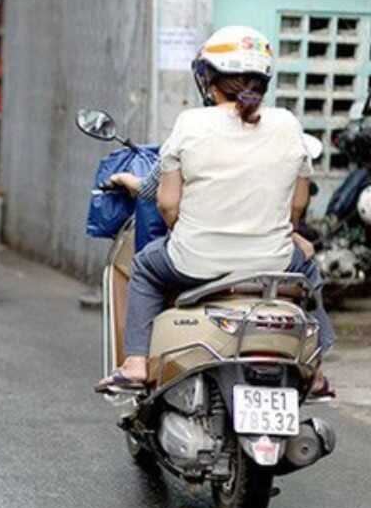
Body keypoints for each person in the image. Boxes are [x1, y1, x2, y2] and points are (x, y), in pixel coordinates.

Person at [96, 25, 336, 398]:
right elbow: (298, 204)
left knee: (144, 267)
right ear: (263, 80)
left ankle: (135, 364)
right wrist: (285, 231)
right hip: (270, 262)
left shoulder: (191, 124)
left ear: (208, 79)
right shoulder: (288, 125)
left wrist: (185, 228)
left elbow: (166, 202)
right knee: (305, 261)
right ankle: (316, 370)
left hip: (195, 261)